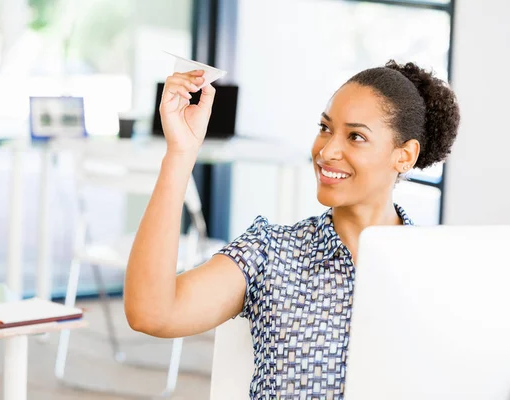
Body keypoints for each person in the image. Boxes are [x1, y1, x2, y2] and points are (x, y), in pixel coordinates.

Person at [124, 60, 460, 399]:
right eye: (325, 128)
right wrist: (180, 153)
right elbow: (151, 312)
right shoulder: (270, 252)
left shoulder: (434, 270)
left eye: (355, 136)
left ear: (404, 156)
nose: (326, 151)